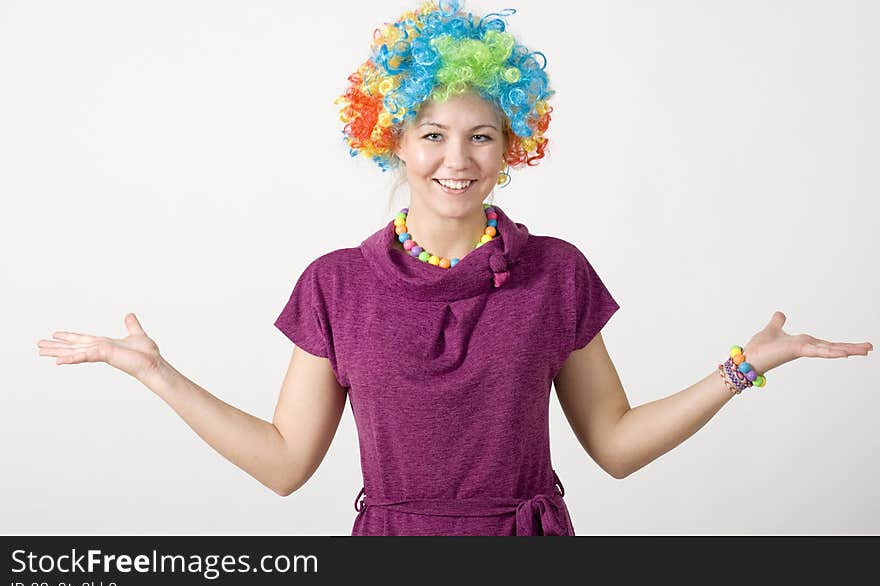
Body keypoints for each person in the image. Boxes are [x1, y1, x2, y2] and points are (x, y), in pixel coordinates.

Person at [37, 0, 873, 536]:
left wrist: (744, 367)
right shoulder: (337, 284)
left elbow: (614, 446)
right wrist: (158, 375)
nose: (456, 159)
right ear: (391, 140)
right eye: (432, 134)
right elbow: (286, 463)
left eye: (481, 135)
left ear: (513, 145)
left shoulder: (556, 274)